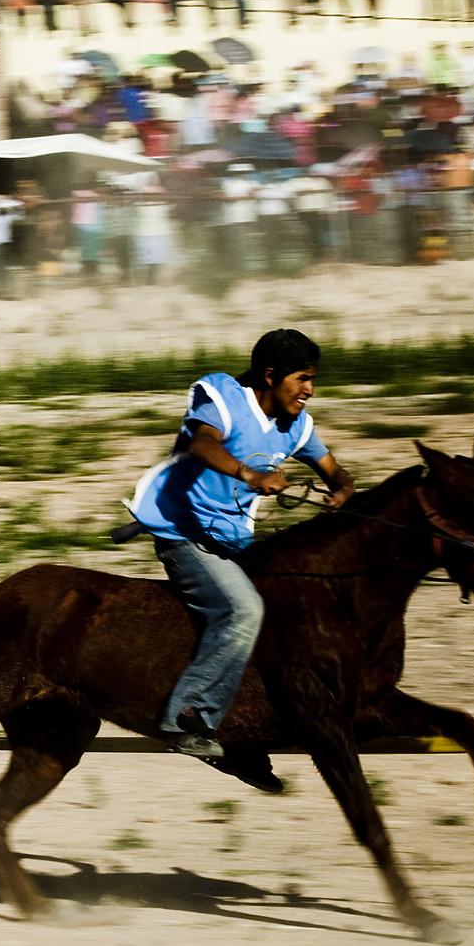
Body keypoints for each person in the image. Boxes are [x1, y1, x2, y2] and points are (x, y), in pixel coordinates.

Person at [126, 330, 356, 771]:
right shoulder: (223, 398)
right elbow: (203, 443)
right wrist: (251, 475)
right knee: (244, 611)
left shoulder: (296, 425)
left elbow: (333, 469)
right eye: (302, 379)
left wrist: (343, 490)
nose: (310, 390)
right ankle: (189, 720)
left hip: (235, 540)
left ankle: (245, 730)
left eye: (313, 379)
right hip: (184, 533)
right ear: (270, 376)